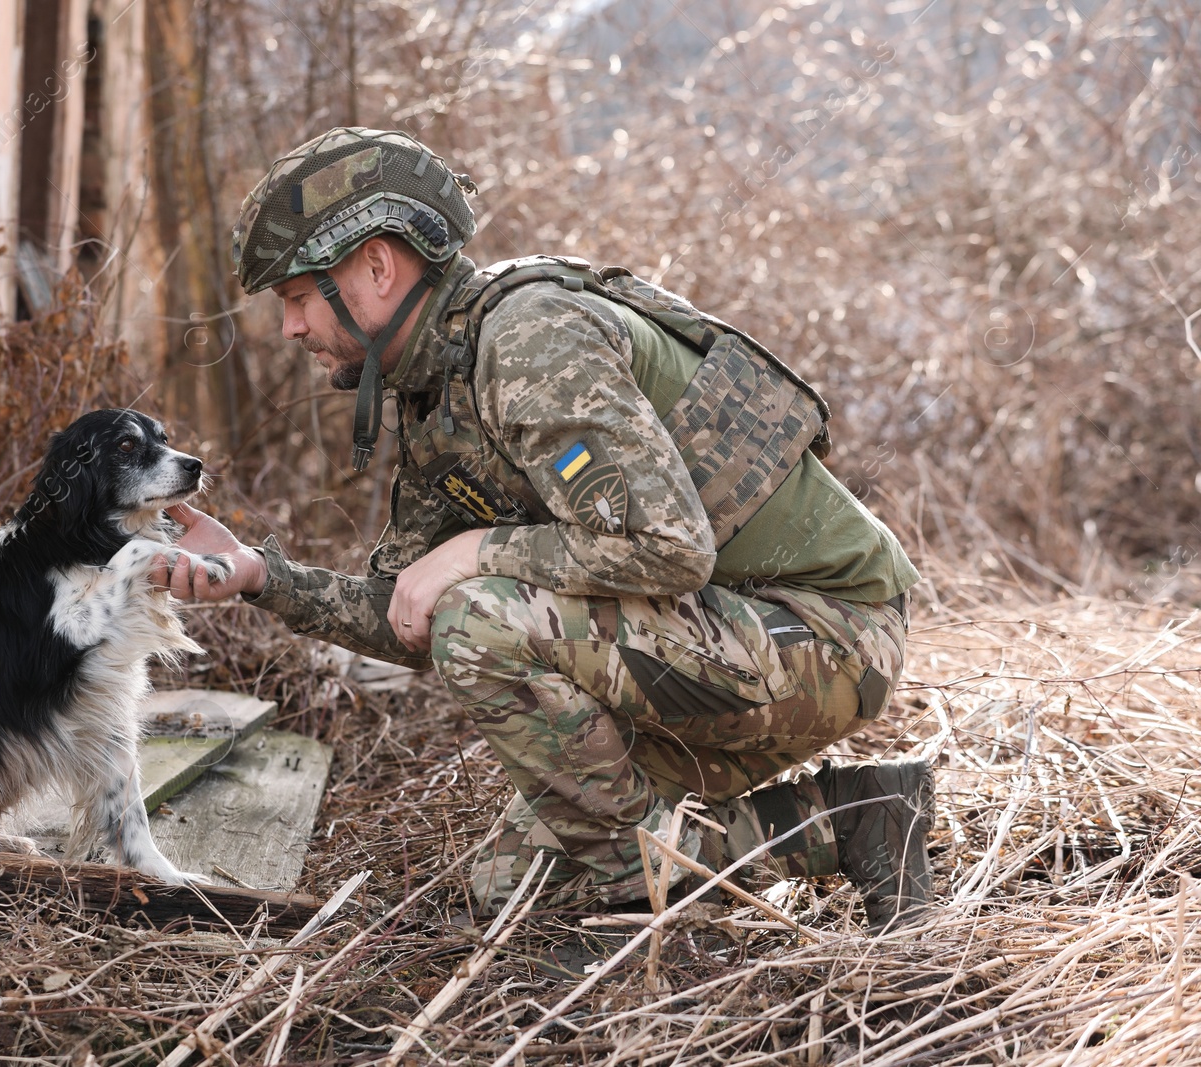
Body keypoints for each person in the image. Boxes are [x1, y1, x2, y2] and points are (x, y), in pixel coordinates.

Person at [153, 128, 932, 932]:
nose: (289, 329)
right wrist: (257, 575)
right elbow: (408, 609)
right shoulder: (437, 380)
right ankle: (854, 819)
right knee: (515, 883)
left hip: (826, 630)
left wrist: (477, 551)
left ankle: (647, 879)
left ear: (377, 268)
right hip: (714, 640)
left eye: (296, 297)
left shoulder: (528, 339)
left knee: (481, 617)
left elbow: (666, 548)